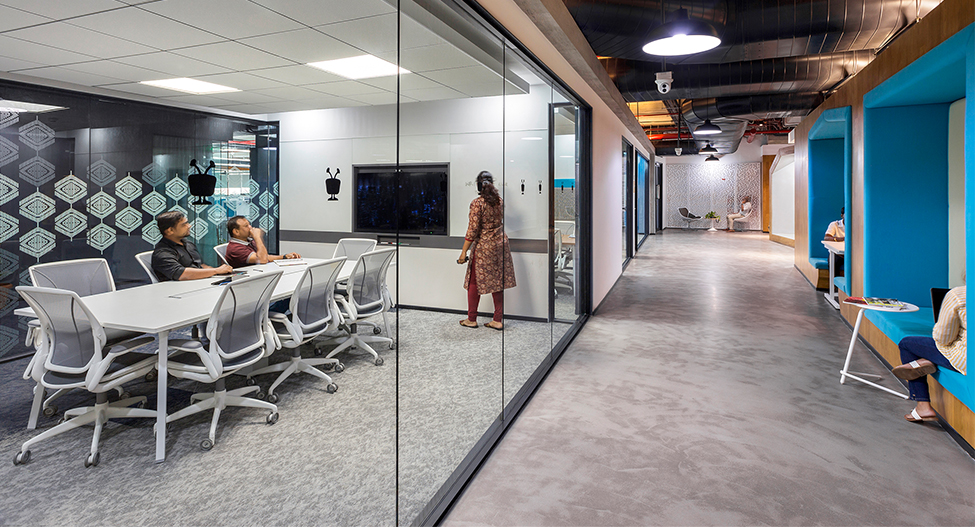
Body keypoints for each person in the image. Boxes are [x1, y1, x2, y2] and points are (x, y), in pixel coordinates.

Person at [894, 285, 966, 423]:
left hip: (966, 361)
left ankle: (922, 405)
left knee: (907, 344)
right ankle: (925, 361)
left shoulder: (959, 295)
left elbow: (943, 338)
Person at [457, 171, 516, 330]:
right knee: (497, 282)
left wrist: (464, 252)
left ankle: (471, 319)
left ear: (478, 185)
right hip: (500, 246)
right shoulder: (499, 201)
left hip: (484, 247)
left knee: (473, 282)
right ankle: (497, 319)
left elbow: (473, 230)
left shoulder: (477, 203)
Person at [151, 211, 232, 282]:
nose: (189, 226)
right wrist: (216, 271)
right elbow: (181, 274)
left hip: (198, 283)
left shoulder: (188, 244)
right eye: (184, 224)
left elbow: (199, 266)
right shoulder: (162, 252)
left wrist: (219, 272)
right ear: (170, 231)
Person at [224, 216, 299, 268]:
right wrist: (257, 237)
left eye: (249, 224)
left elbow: (265, 256)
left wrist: (284, 257)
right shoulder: (235, 248)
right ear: (236, 231)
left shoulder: (248, 241)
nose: (250, 227)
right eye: (246, 226)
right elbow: (262, 259)